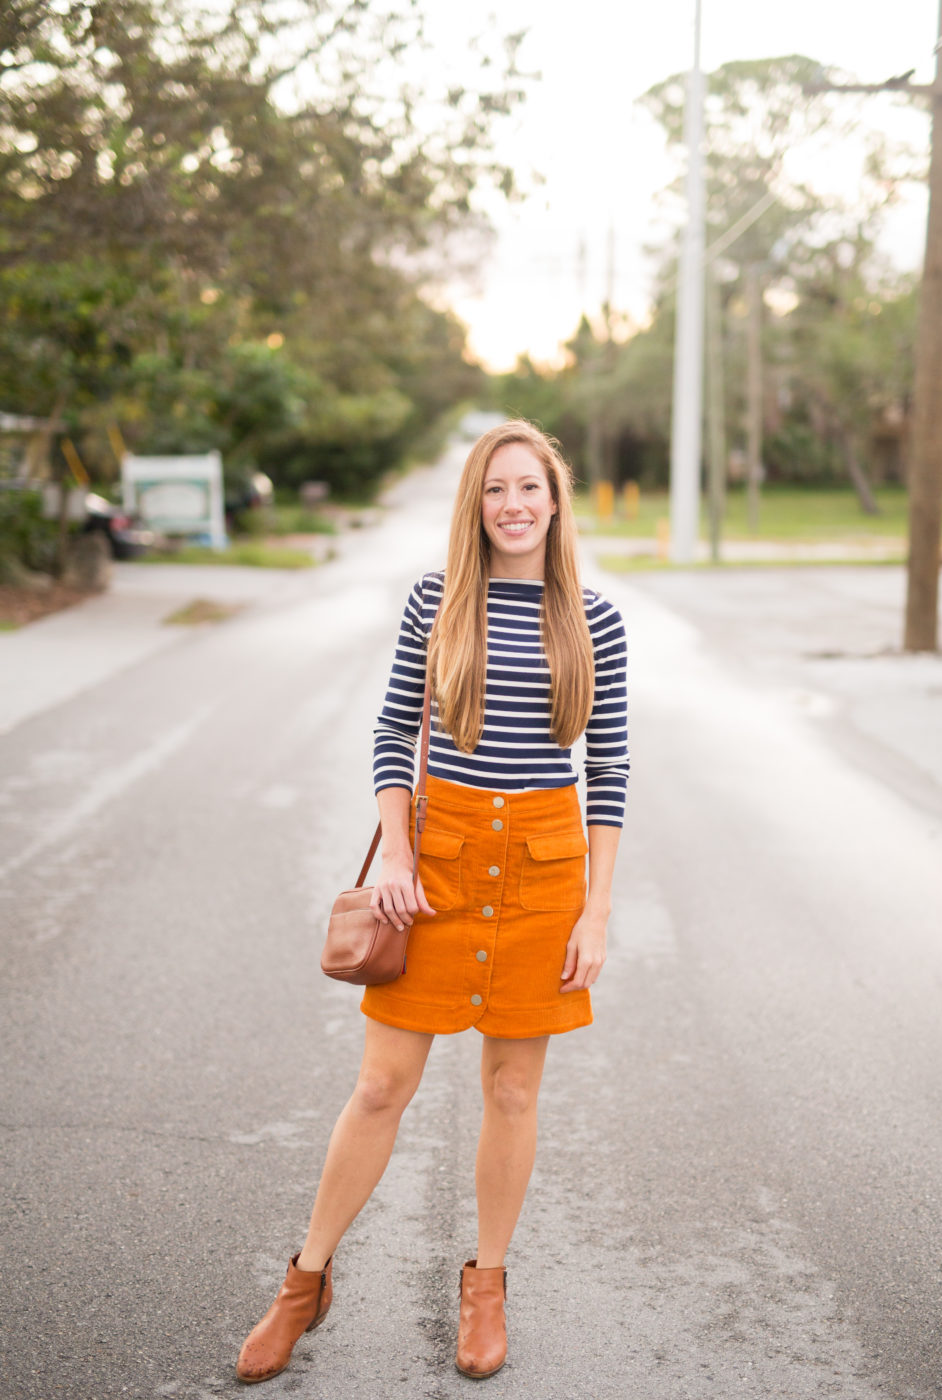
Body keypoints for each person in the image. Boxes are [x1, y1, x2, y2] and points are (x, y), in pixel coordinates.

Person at [235, 419, 629, 1385]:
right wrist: (399, 858)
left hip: (544, 872)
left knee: (512, 1090)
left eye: (529, 487)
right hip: (439, 868)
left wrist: (597, 910)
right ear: (475, 503)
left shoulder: (594, 618)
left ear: (555, 499)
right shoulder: (436, 602)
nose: (514, 506)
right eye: (495, 490)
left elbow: (609, 769)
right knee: (380, 1087)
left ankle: (485, 1285)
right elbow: (388, 734)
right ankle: (305, 1281)